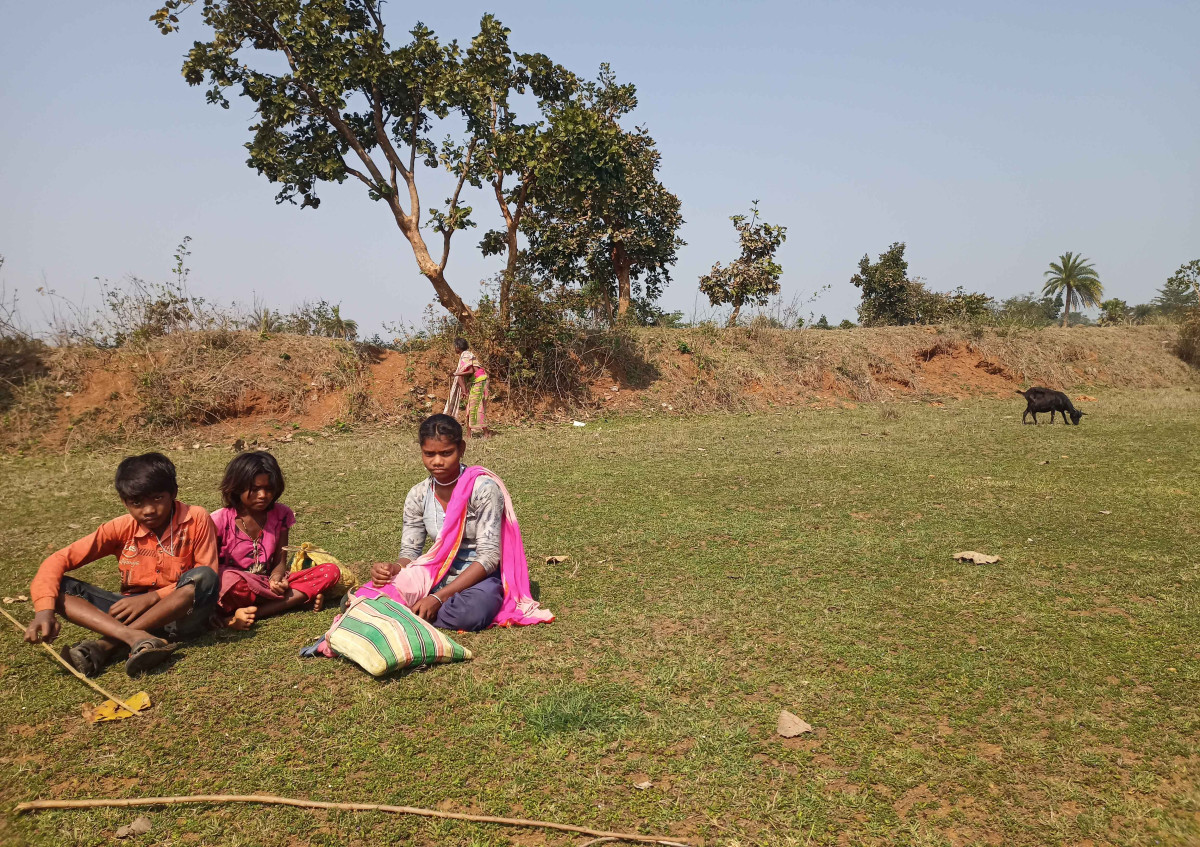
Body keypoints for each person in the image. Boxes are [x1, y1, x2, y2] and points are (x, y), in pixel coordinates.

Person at [25, 452, 219, 677]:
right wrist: (44, 611)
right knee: (57, 587)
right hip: (128, 609)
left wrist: (151, 598)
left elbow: (208, 574)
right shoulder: (119, 528)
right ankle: (135, 638)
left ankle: (106, 645)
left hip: (182, 616)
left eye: (157, 498)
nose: (148, 510)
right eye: (136, 502)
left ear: (173, 493)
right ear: (124, 502)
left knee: (204, 576)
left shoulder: (196, 518)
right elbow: (56, 560)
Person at [360, 413, 551, 631]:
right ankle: (410, 610)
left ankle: (405, 611)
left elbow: (489, 558)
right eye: (429, 454)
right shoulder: (418, 495)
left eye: (446, 453)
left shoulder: (483, 489)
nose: (437, 461)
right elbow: (410, 553)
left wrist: (438, 598)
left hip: (479, 578)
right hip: (435, 573)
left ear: (461, 449)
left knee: (470, 613)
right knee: (363, 596)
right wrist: (395, 568)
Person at [212, 451, 341, 630]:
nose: (263, 495)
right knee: (230, 579)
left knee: (330, 571)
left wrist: (277, 578)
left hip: (266, 584)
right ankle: (295, 599)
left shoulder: (281, 515)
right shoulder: (218, 520)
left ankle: (255, 612)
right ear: (236, 487)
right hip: (236, 587)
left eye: (268, 488)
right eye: (255, 489)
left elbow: (280, 561)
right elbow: (209, 569)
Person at [452, 337, 491, 438]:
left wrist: (456, 373)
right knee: (470, 407)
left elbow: (471, 371)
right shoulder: (466, 355)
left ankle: (486, 433)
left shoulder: (465, 355)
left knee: (476, 407)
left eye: (455, 346)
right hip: (476, 382)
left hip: (480, 381)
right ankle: (468, 434)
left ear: (458, 347)